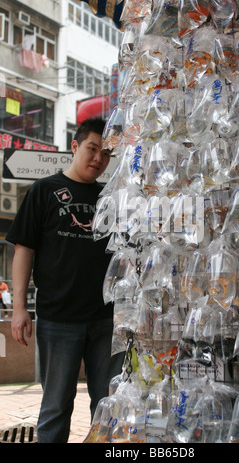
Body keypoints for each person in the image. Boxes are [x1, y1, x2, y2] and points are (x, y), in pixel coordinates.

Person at [6, 118, 124, 443]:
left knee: (109, 408)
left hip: (107, 321)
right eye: (92, 148)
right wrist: (19, 308)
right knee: (56, 407)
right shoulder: (43, 191)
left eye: (106, 153)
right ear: (75, 147)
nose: (98, 158)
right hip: (58, 320)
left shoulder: (112, 197)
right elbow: (23, 250)